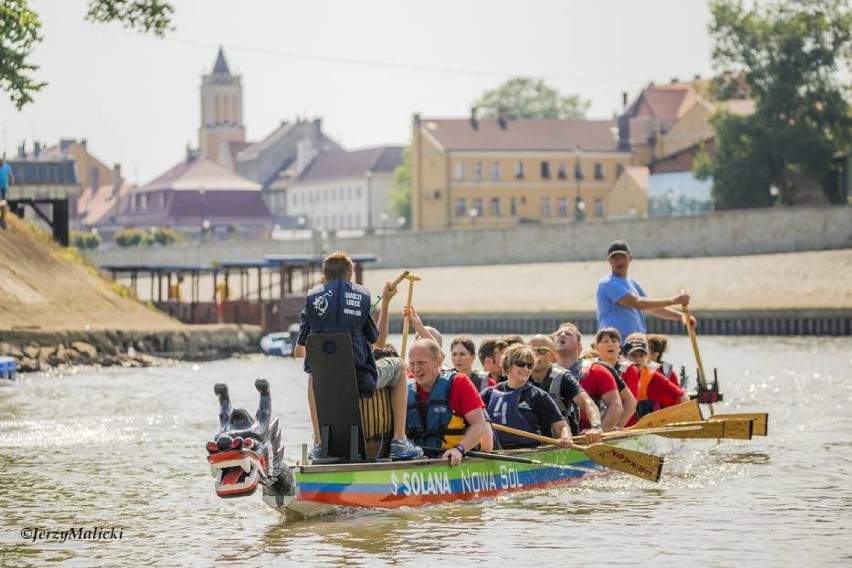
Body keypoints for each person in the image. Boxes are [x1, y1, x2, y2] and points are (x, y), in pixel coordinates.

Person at [294, 250, 423, 460]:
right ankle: (399, 441)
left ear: (323, 278)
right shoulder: (360, 298)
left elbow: (300, 352)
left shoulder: (311, 301)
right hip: (360, 380)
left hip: (326, 385)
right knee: (399, 366)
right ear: (350, 277)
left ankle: (319, 445)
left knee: (313, 376)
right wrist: (386, 302)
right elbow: (379, 342)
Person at [406, 338, 492, 465]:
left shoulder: (459, 382)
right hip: (420, 459)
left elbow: (479, 425)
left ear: (438, 361)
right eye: (412, 363)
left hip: (454, 457)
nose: (416, 369)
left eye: (421, 363)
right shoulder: (405, 387)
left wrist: (459, 449)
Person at [596, 240, 696, 342]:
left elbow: (652, 308)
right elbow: (637, 303)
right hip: (614, 345)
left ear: (630, 258)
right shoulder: (608, 283)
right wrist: (673, 300)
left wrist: (682, 317)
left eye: (623, 257)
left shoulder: (632, 283)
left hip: (635, 344)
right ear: (609, 261)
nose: (619, 261)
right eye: (615, 258)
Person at [480, 344, 574, 449]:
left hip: (527, 453)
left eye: (529, 366)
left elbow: (562, 427)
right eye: (521, 364)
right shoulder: (489, 394)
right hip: (495, 453)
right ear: (508, 365)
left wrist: (565, 436)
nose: (526, 369)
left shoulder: (538, 396)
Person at [552, 323, 635, 431]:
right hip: (558, 438)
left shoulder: (597, 370)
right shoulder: (545, 372)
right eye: (558, 334)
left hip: (589, 436)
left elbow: (619, 405)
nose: (562, 335)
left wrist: (605, 430)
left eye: (568, 334)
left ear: (579, 347)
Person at [527, 334, 602, 444]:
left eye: (542, 350)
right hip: (531, 444)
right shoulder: (521, 375)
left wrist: (596, 426)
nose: (536, 354)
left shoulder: (563, 378)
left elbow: (586, 402)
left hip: (561, 444)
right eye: (531, 350)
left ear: (553, 355)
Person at [622, 333, 690, 418]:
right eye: (633, 355)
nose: (638, 359)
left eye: (641, 355)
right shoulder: (618, 373)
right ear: (624, 356)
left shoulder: (662, 373)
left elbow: (681, 395)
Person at [0, 157, 14, 229]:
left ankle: (2, 220)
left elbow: (10, 175)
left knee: (3, 203)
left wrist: (12, 180)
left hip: (4, 188)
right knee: (2, 203)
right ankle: (2, 220)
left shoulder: (7, 167)